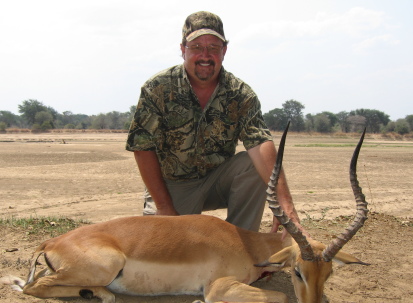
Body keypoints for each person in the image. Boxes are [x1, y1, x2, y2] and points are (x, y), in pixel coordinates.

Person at [126, 11, 307, 238]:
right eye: (196, 47)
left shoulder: (241, 93)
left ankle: (242, 247)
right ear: (183, 50)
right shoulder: (158, 88)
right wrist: (164, 207)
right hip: (173, 187)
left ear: (224, 51)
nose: (205, 55)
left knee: (251, 164)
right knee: (164, 250)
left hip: (217, 181)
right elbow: (142, 147)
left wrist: (285, 207)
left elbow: (260, 142)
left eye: (213, 47)